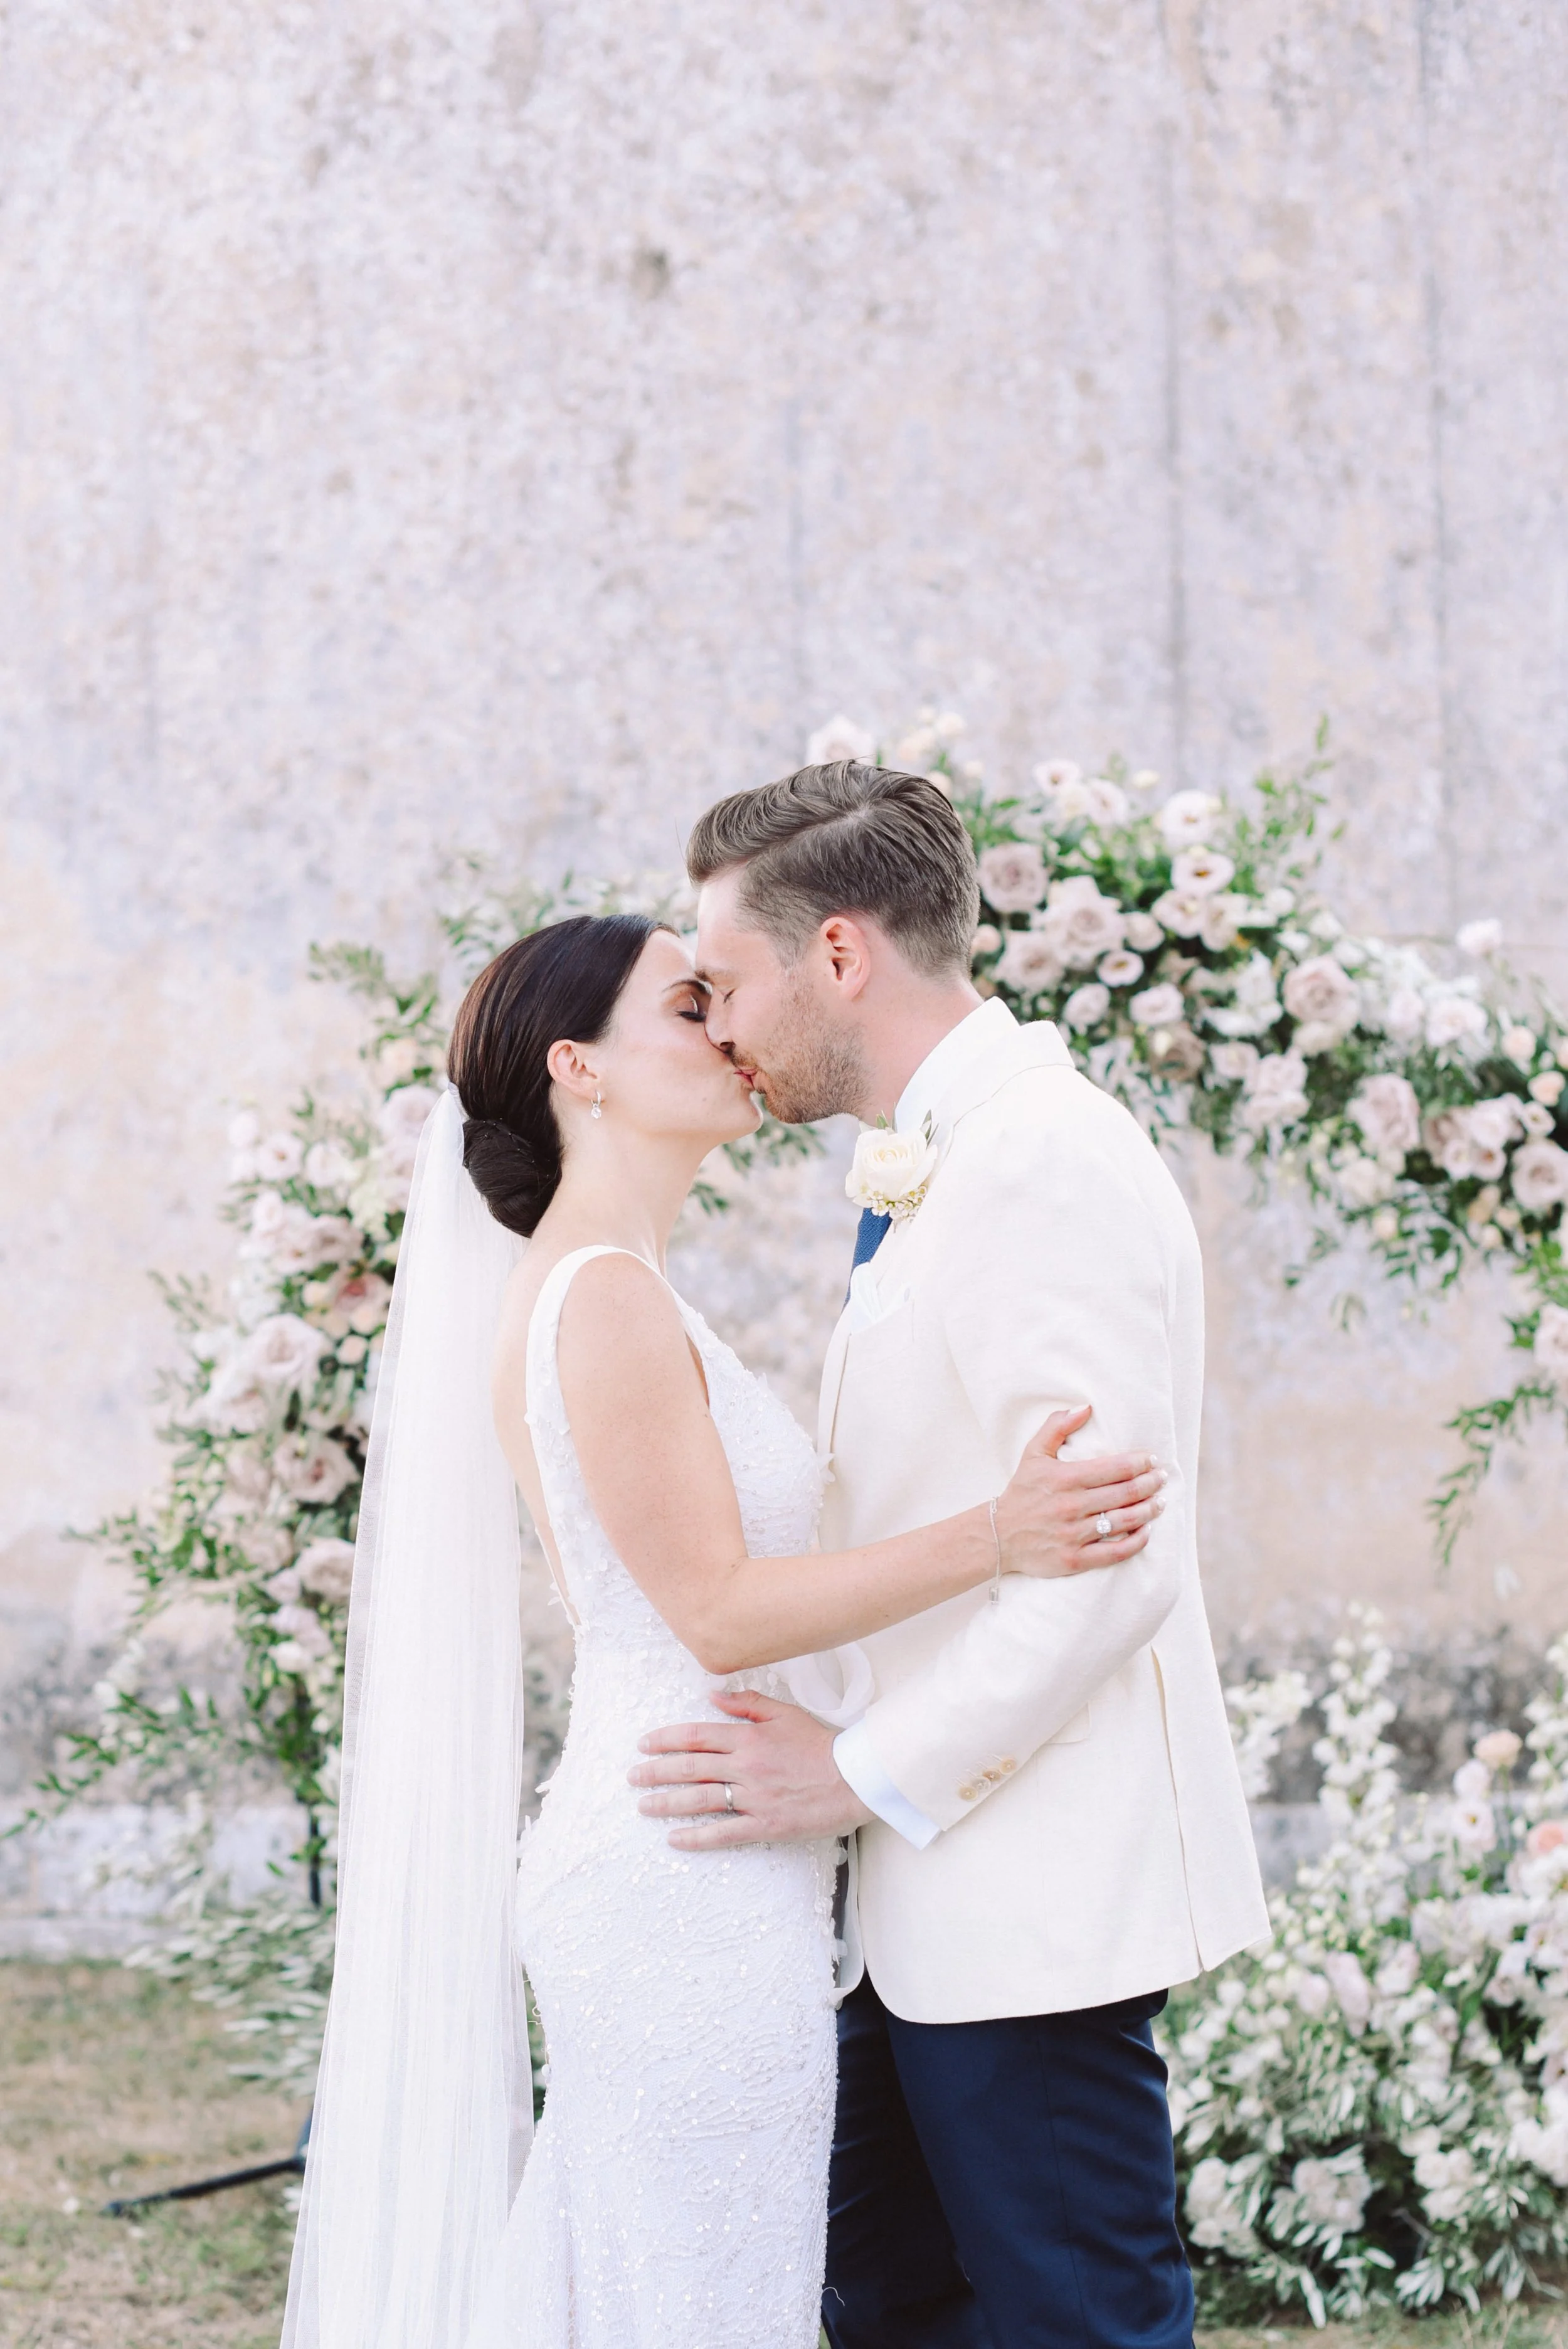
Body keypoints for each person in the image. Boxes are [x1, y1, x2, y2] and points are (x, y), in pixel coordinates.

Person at [280, 908, 1163, 2349]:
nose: (729, 1031)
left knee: (678, 2289)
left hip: (712, 1847)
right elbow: (715, 1611)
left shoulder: (613, 1287)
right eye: (686, 1007)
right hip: (676, 1868)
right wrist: (994, 1537)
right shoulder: (603, 1300)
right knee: (700, 2302)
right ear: (583, 1069)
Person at [632, 760, 1271, 2349]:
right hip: (915, 1907)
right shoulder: (939, 1157)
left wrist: (855, 1773)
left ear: (837, 954)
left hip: (1027, 1896)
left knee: (1070, 2323)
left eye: (726, 982)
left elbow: (1109, 1565)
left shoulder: (1042, 1158)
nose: (717, 1024)